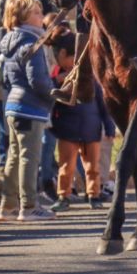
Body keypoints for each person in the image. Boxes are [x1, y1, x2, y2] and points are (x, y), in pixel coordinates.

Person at [0, 0, 55, 177]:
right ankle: (12, 180)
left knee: (30, 139)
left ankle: (37, 182)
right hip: (15, 72)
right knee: (14, 137)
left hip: (38, 64)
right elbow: (0, 37)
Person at [0, 0, 56, 222]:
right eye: (36, 12)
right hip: (31, 107)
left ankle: (8, 205)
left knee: (14, 157)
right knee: (29, 158)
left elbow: (2, 78)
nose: (41, 16)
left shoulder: (9, 41)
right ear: (23, 17)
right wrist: (53, 94)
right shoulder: (33, 43)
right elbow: (39, 81)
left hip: (12, 105)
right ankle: (29, 206)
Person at [48, 28, 114, 211]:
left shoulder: (91, 78)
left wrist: (108, 127)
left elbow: (102, 104)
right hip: (67, 130)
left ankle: (94, 194)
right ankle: (64, 195)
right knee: (66, 166)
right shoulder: (57, 77)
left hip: (91, 129)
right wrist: (56, 83)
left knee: (93, 166)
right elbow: (53, 103)